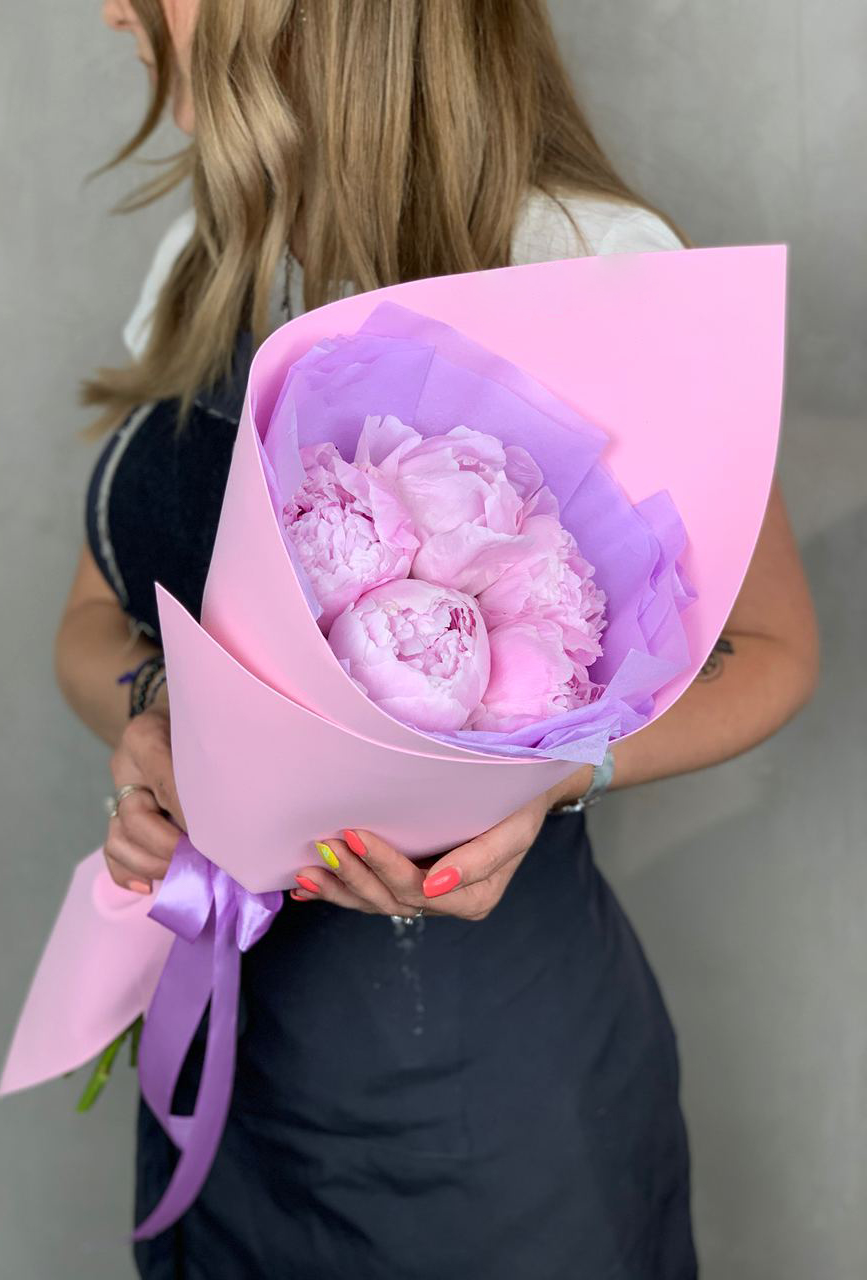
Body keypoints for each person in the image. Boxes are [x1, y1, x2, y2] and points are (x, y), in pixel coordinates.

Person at [55, 2, 820, 1276]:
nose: (112, 8)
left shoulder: (591, 264)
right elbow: (91, 620)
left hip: (485, 1101)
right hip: (229, 1075)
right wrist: (155, 727)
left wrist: (552, 771)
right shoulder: (212, 254)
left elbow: (776, 644)